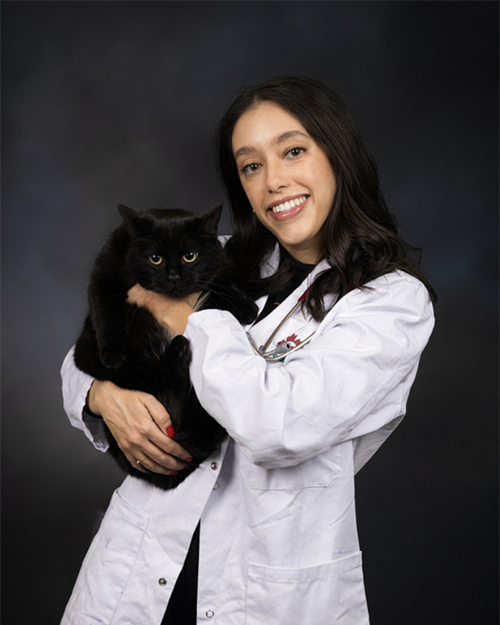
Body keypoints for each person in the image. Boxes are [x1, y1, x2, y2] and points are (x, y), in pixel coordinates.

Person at [60, 74, 435, 624]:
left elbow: (276, 424)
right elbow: (82, 351)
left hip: (263, 588)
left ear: (340, 155)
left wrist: (188, 317)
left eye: (294, 151)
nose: (274, 181)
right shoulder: (216, 257)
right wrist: (100, 394)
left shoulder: (391, 303)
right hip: (138, 570)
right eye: (251, 165)